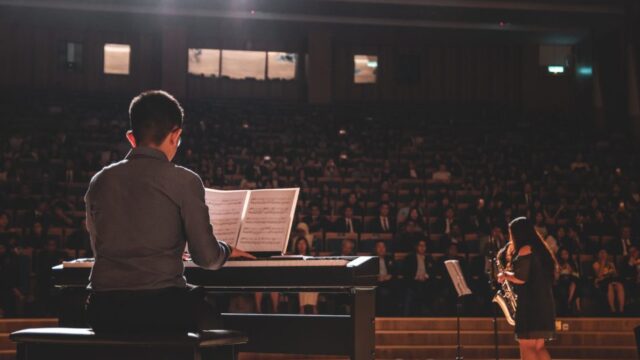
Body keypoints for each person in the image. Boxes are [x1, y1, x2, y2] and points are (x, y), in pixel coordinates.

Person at [84, 90, 254, 334]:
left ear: (132, 138)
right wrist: (226, 249)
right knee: (214, 323)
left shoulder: (99, 181)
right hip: (159, 309)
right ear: (176, 135)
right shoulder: (184, 180)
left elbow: (100, 239)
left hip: (102, 310)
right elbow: (206, 258)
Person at [498, 217, 557, 360]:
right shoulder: (539, 248)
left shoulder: (525, 249)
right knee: (539, 347)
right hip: (543, 304)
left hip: (531, 305)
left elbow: (521, 277)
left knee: (527, 346)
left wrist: (505, 275)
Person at [592, 248, 625, 314]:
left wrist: (613, 271)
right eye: (601, 253)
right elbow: (599, 276)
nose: (603, 255)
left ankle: (621, 310)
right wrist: (602, 263)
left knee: (620, 286)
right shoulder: (596, 264)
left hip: (611, 280)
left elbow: (615, 275)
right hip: (601, 283)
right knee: (609, 286)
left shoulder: (611, 264)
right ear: (598, 255)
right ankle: (613, 310)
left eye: (604, 253)